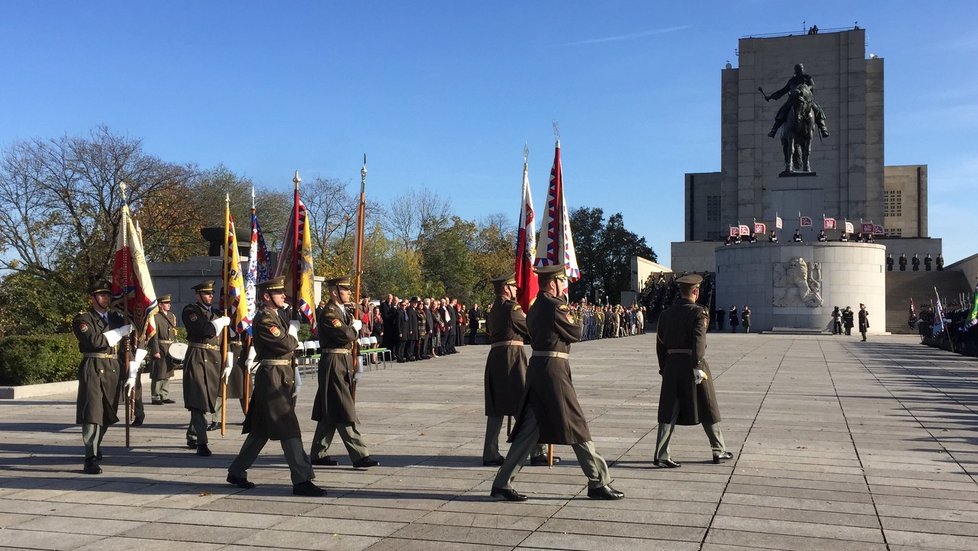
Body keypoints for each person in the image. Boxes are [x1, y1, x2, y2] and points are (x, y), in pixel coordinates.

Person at [490, 265, 623, 502]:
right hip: (554, 372)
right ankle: (598, 481)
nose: (565, 286)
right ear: (553, 283)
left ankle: (502, 482)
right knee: (576, 424)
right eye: (563, 281)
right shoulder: (555, 306)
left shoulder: (534, 307)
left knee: (529, 430)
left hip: (538, 369)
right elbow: (576, 332)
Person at [227, 276, 326, 497]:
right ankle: (302, 479)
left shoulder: (275, 316)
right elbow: (285, 344)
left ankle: (236, 471)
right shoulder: (264, 320)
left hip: (279, 376)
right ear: (266, 297)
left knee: (260, 430)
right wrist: (292, 332)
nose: (283, 295)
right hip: (273, 378)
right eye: (278, 293)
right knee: (288, 427)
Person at [653, 274, 733, 468]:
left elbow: (660, 344)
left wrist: (664, 367)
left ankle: (662, 454)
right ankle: (718, 449)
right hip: (692, 363)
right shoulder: (699, 313)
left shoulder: (666, 314)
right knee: (707, 405)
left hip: (672, 363)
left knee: (668, 409)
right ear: (695, 292)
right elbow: (699, 340)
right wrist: (697, 364)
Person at [310, 276, 379, 469]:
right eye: (345, 290)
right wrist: (354, 328)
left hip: (342, 360)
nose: (349, 292)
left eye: (349, 290)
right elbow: (345, 335)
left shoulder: (342, 312)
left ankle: (318, 452)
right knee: (343, 407)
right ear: (334, 292)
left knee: (331, 406)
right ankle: (360, 454)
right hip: (334, 361)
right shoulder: (329, 313)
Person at [482, 274, 550, 467]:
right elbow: (530, 328)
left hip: (497, 358)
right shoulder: (512, 308)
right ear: (506, 288)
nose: (516, 290)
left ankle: (490, 452)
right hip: (511, 358)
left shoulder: (495, 307)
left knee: (496, 408)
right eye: (513, 287)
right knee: (527, 404)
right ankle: (538, 452)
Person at [73, 281, 133, 474]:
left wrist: (131, 371)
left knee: (107, 413)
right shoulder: (83, 319)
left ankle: (96, 445)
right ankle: (90, 457)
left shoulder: (117, 318)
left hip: (113, 368)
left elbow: (127, 347)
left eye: (108, 295)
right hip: (93, 366)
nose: (106, 298)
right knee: (92, 414)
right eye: (101, 295)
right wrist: (118, 332)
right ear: (92, 298)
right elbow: (94, 341)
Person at [182, 280, 231, 456]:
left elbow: (226, 340)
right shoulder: (190, 311)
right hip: (198, 357)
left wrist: (229, 360)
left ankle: (193, 434)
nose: (210, 296)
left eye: (211, 293)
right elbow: (204, 330)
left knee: (206, 400)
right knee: (198, 401)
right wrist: (220, 323)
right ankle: (202, 443)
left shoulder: (218, 312)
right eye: (206, 293)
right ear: (198, 295)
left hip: (215, 360)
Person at [763, 63, 830, 138]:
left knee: (817, 109)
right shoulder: (792, 80)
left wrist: (805, 89)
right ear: (795, 71)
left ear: (803, 69)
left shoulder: (807, 78)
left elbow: (812, 86)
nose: (800, 71)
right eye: (798, 70)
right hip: (792, 100)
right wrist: (771, 97)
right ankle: (774, 130)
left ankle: (823, 129)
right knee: (782, 110)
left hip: (806, 100)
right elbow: (783, 90)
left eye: (801, 69)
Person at [150, 294, 178, 405]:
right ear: (160, 305)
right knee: (158, 373)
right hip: (160, 347)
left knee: (168, 372)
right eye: (166, 303)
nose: (169, 305)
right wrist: (155, 350)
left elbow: (174, 333)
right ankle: (156, 396)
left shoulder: (171, 316)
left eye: (169, 303)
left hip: (170, 347)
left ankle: (164, 395)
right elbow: (154, 336)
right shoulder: (155, 317)